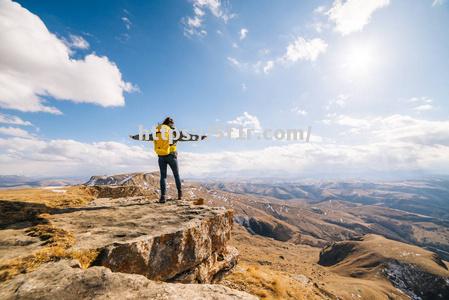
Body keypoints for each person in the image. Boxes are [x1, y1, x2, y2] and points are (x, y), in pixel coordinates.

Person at [152, 117, 207, 203]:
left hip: (161, 156)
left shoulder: (158, 132)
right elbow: (188, 137)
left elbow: (145, 137)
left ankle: (163, 197)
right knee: (176, 175)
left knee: (163, 176)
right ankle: (180, 195)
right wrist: (200, 137)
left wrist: (134, 137)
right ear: (171, 124)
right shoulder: (174, 132)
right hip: (171, 156)